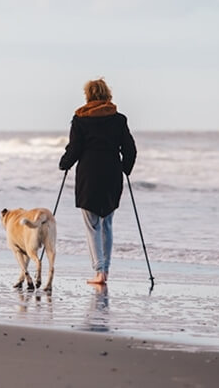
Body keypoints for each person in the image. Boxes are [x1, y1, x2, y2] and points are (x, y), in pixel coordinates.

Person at [59, 78, 136, 285]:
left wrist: (64, 163)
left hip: (89, 175)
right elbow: (130, 149)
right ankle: (106, 271)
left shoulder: (80, 118)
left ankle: (99, 271)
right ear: (107, 94)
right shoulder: (119, 119)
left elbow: (74, 149)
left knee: (92, 225)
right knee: (107, 223)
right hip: (111, 173)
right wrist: (126, 168)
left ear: (88, 95)